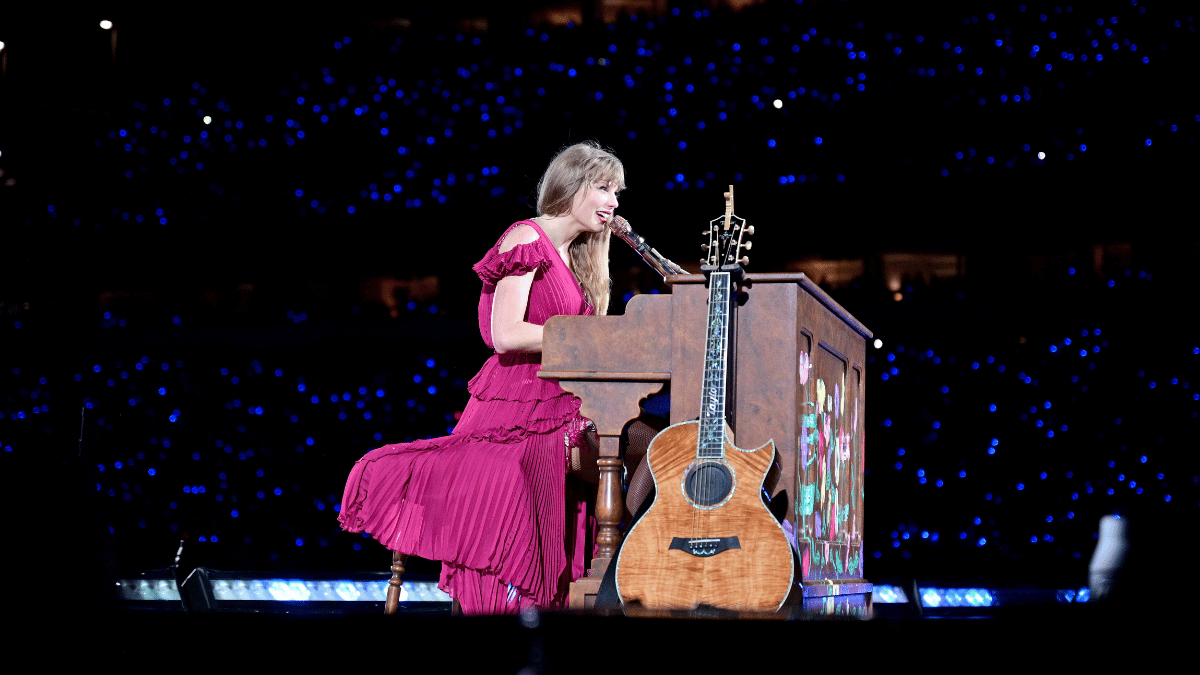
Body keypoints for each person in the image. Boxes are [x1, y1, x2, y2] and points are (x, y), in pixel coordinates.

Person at [338, 141, 622, 614]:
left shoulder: (577, 257)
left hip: (563, 401)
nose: (614, 202)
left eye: (618, 192)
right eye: (604, 188)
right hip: (517, 404)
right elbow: (505, 334)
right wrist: (586, 338)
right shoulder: (525, 239)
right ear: (572, 186)